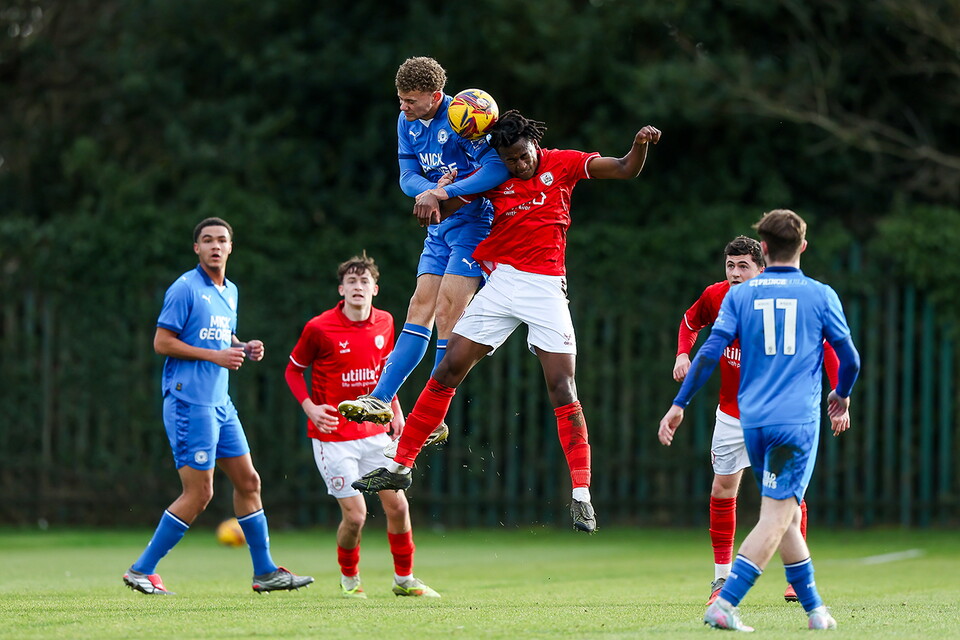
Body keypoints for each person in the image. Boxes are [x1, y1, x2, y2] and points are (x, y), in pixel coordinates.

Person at [350, 110, 662, 534]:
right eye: (510, 160)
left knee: (562, 386)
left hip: (546, 288)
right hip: (501, 284)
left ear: (535, 144)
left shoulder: (563, 163)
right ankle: (401, 464)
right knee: (448, 368)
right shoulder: (493, 175)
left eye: (522, 156)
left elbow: (625, 168)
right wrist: (432, 197)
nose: (519, 165)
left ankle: (582, 495)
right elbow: (449, 204)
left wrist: (639, 145)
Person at [659, 209, 860, 631]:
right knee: (777, 514)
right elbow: (850, 359)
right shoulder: (820, 294)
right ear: (803, 246)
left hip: (750, 420)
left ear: (764, 250)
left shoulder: (739, 297)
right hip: (794, 423)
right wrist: (841, 395)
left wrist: (679, 403)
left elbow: (710, 351)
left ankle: (815, 609)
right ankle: (725, 601)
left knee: (782, 511)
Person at [123, 217, 313, 595]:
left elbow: (221, 336)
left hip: (219, 403)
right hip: (188, 401)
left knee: (249, 481)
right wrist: (216, 355)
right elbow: (162, 342)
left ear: (230, 247)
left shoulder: (231, 291)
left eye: (221, 240)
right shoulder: (184, 288)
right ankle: (141, 570)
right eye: (206, 240)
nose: (214, 245)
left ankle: (265, 572)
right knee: (200, 493)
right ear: (196, 248)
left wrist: (243, 347)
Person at [338, 56, 509, 437]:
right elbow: (407, 176)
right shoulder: (407, 122)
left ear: (435, 96)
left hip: (474, 223)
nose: (402, 106)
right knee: (419, 306)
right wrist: (430, 193)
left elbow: (497, 169)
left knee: (448, 310)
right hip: (438, 227)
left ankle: (432, 413)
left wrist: (445, 191)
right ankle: (380, 399)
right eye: (400, 98)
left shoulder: (464, 115)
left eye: (410, 100)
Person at [284, 253, 440, 599]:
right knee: (355, 517)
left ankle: (405, 579)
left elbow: (387, 371)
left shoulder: (385, 321)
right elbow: (293, 370)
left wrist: (395, 410)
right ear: (341, 289)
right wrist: (310, 407)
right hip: (333, 437)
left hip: (374, 434)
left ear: (375, 289)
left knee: (399, 506)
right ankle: (350, 579)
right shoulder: (319, 328)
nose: (358, 286)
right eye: (351, 281)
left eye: (364, 281)